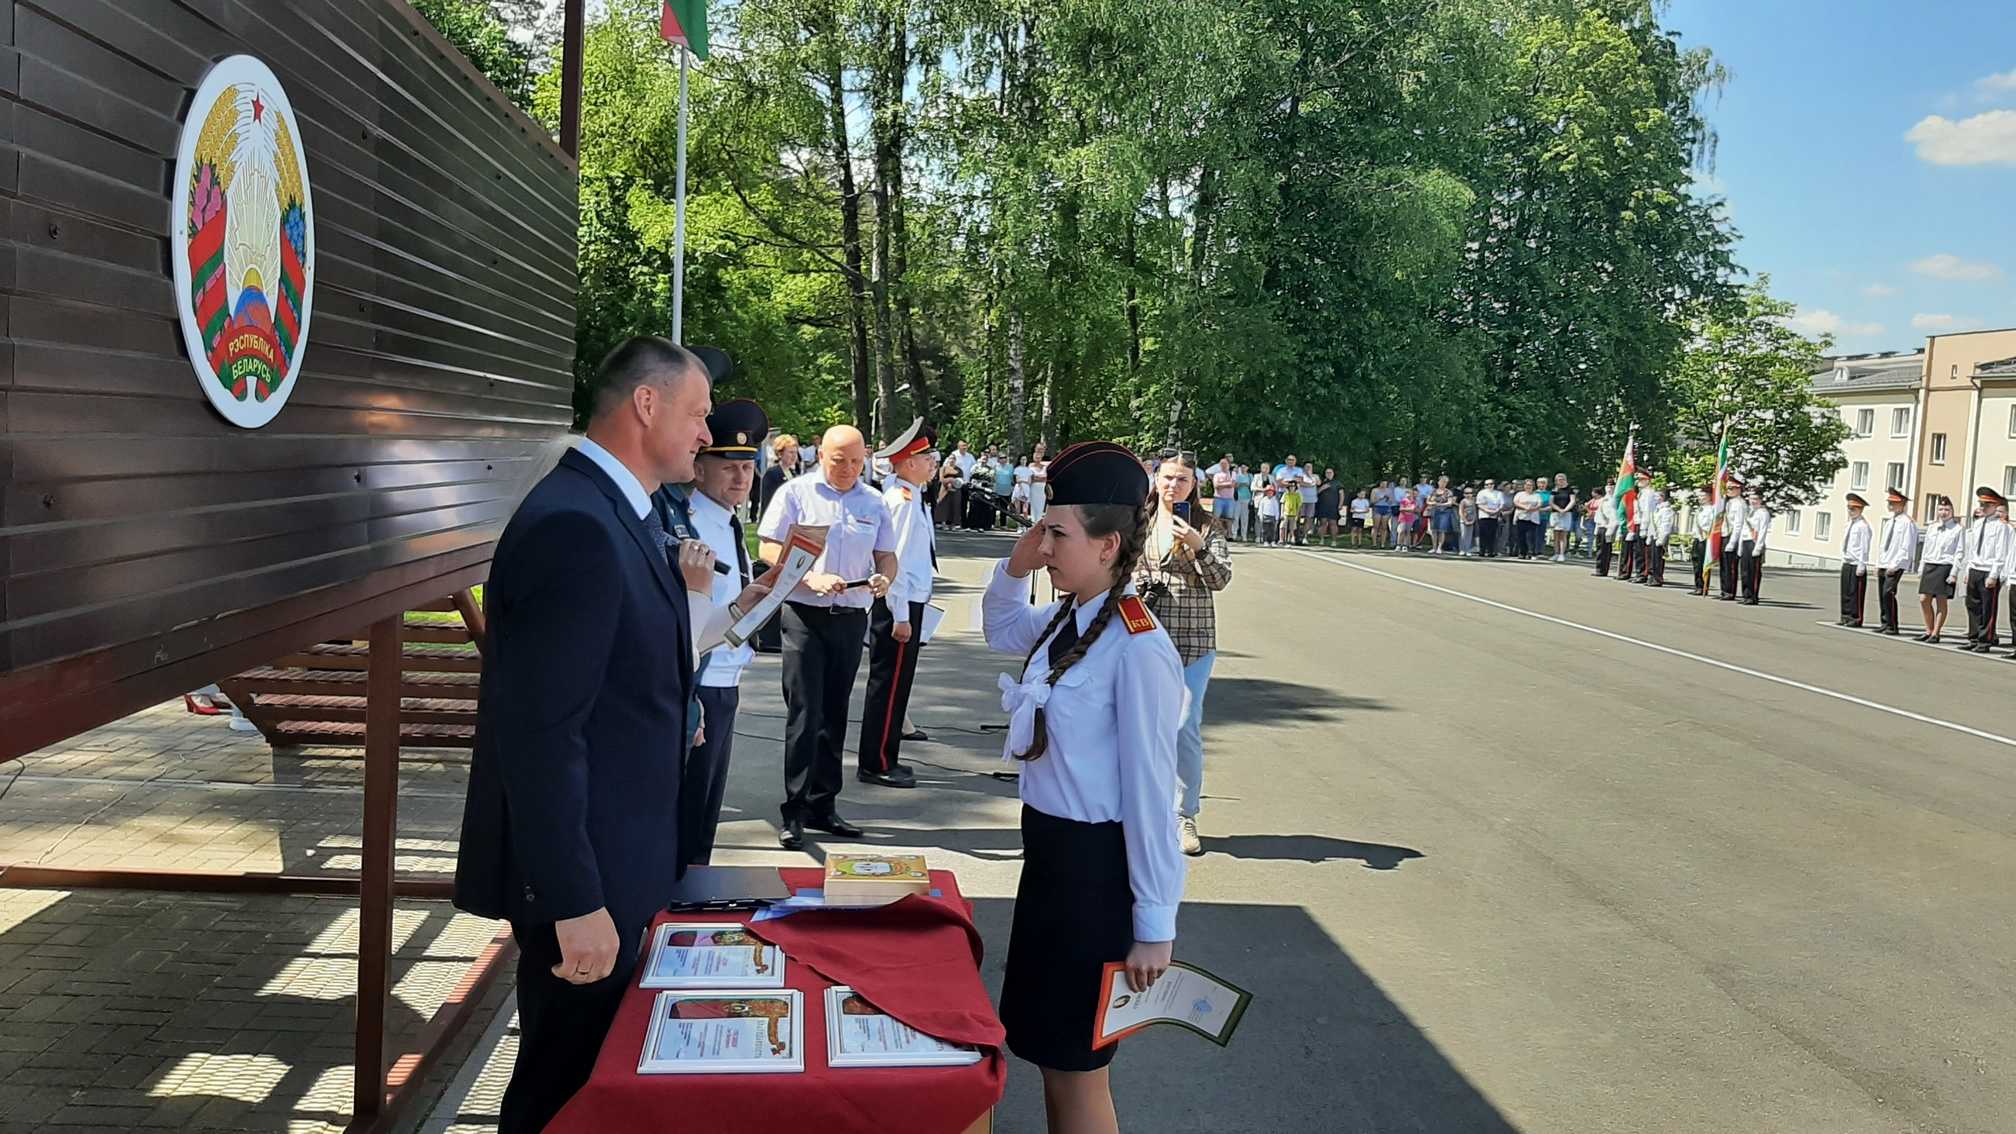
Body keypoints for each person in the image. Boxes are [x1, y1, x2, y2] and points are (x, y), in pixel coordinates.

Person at [455, 337, 770, 1134]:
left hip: (621, 858)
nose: (707, 435)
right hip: (587, 877)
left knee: (592, 1084)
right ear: (646, 405)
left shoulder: (618, 510)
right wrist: (574, 900)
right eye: (698, 415)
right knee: (561, 1092)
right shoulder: (577, 524)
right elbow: (541, 734)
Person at [983, 441, 1185, 1129]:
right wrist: (1020, 558)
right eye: (1044, 531)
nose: (1045, 547)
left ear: (1108, 545)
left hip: (1093, 880)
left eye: (1058, 534)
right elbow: (1000, 627)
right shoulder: (1069, 619)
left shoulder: (1138, 645)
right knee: (1049, 1053)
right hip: (1050, 864)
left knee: (1078, 1068)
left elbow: (1153, 796)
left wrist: (1154, 924)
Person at [759, 425, 898, 849]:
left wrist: (884, 578)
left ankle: (824, 804)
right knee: (806, 712)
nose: (848, 469)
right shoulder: (797, 493)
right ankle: (795, 809)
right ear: (821, 455)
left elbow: (887, 555)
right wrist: (810, 577)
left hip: (850, 617)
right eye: (840, 461)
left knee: (835, 712)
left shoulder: (873, 500)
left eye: (857, 461)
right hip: (805, 614)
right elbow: (768, 547)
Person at [681, 398, 769, 865]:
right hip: (702, 680)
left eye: (747, 467)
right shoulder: (690, 523)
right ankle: (677, 899)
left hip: (725, 678)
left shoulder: (726, 520)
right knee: (688, 814)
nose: (740, 478)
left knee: (704, 813)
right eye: (728, 466)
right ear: (698, 469)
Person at [1135, 452, 1232, 857]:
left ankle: (1183, 814)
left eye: (1183, 480)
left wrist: (1197, 547)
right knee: (1137, 725)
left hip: (1193, 642)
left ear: (1195, 486)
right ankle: (1139, 809)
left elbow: (1221, 579)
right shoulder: (1137, 521)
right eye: (1168, 477)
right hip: (1142, 639)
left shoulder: (1207, 527)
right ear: (1156, 480)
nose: (1174, 485)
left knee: (1182, 725)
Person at [857, 419, 941, 790]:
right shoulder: (902, 502)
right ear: (908, 462)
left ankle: (886, 756)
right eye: (927, 458)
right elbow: (896, 564)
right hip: (898, 607)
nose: (933, 463)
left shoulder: (912, 495)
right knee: (888, 687)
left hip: (907, 604)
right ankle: (876, 762)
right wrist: (902, 615)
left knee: (897, 686)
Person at [1959, 489, 2012, 653]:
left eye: (1986, 505)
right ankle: (1974, 637)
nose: (1982, 507)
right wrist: (1968, 570)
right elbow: (1973, 550)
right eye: (1981, 504)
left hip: (1988, 570)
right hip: (1975, 568)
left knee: (1987, 608)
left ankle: (1985, 640)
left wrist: (1994, 575)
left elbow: (2000, 552)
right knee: (1972, 605)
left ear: (1995, 506)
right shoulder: (1978, 523)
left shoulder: (2000, 527)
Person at [1916, 497, 1961, 642]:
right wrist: (1921, 567)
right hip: (1930, 564)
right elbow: (1925, 549)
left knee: (1941, 601)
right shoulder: (1932, 527)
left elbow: (1959, 552)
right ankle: (1928, 629)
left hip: (1945, 566)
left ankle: (1936, 632)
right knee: (1924, 599)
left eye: (1947, 509)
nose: (1943, 512)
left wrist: (1954, 573)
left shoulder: (1957, 529)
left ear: (1952, 511)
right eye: (1941, 509)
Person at [1874, 487, 1917, 636]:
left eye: (1894, 503)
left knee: (1888, 592)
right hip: (1885, 562)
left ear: (1902, 504)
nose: (1890, 505)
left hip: (1895, 564)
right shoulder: (1890, 521)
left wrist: (1895, 565)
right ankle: (1885, 622)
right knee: (1882, 593)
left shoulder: (1907, 523)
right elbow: (1883, 545)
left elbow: (1906, 546)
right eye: (1889, 503)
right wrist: (1879, 563)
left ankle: (1892, 625)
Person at [1837, 492, 1874, 628]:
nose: (1850, 511)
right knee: (1846, 591)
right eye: (1849, 508)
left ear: (1860, 509)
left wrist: (1862, 564)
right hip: (1848, 561)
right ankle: (1845, 615)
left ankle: (1855, 617)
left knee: (1855, 592)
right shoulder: (1850, 524)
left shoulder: (1863, 526)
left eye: (1853, 509)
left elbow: (1864, 547)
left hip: (1856, 562)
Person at [1739, 487, 1770, 605]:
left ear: (1761, 500)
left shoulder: (1763, 513)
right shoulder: (1749, 512)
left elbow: (1763, 531)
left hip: (1755, 542)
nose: (1753, 501)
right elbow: (1744, 529)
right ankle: (1746, 595)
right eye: (1751, 498)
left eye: (1756, 499)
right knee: (1745, 571)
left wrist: (1758, 547)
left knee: (1753, 571)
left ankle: (1753, 596)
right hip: (1746, 541)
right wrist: (1740, 545)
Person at [1718, 482, 1748, 601]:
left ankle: (1730, 591)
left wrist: (1732, 542)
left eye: (1731, 488)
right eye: (1727, 488)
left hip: (1732, 536)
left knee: (1730, 566)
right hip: (1725, 534)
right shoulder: (1729, 502)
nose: (1728, 490)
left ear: (1739, 489)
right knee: (1724, 565)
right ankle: (1724, 589)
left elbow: (1738, 524)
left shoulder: (1740, 504)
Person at [1690, 484, 1718, 595]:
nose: (1700, 498)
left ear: (1709, 496)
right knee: (1696, 562)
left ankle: (1703, 586)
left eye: (1703, 495)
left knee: (1703, 564)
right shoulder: (1699, 509)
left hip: (1706, 538)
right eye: (1699, 496)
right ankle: (1698, 585)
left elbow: (1711, 525)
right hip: (1698, 538)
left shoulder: (1712, 509)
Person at [1645, 489, 1675, 586]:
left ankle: (1657, 578)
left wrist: (1662, 538)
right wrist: (1650, 536)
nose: (1655, 498)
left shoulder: (1667, 510)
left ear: (1662, 497)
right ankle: (1652, 576)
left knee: (1658, 558)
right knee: (1652, 557)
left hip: (1660, 536)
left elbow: (1666, 525)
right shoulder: (1657, 509)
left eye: (1657, 496)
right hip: (1654, 535)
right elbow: (1652, 523)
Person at [1549, 474, 1577, 562]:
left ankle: (1562, 554)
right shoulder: (1554, 490)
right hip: (1555, 513)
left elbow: (1572, 501)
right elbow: (1551, 502)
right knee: (1556, 534)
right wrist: (1559, 509)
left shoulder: (1570, 490)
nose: (1560, 481)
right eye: (1558, 480)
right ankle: (1556, 553)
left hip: (1566, 513)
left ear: (1565, 480)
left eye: (1562, 479)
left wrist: (1565, 510)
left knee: (1563, 534)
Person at [1591, 481, 1616, 576]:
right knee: (1599, 549)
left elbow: (1613, 516)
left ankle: (1603, 570)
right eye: (1608, 487)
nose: (1609, 489)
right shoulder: (1604, 500)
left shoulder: (1614, 500)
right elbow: (1599, 515)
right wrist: (1596, 527)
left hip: (1607, 526)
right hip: (1600, 525)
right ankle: (1599, 568)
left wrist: (1611, 529)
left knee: (1605, 550)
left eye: (1611, 487)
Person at [1511, 479, 1540, 560]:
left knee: (1530, 537)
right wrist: (1525, 507)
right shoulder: (1519, 494)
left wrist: (1531, 509)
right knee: (1521, 536)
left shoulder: (1536, 495)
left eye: (1530, 485)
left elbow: (1539, 504)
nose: (1528, 487)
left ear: (1533, 486)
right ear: (1524, 486)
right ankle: (1522, 552)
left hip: (1532, 518)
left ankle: (1530, 552)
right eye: (1527, 485)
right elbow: (1516, 502)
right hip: (1521, 517)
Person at [1475, 479, 1505, 558]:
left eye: (1491, 484)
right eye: (1487, 484)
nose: (1489, 485)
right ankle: (1482, 551)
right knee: (1483, 534)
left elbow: (1501, 504)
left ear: (1494, 485)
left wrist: (1496, 511)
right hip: (1484, 515)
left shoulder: (1499, 493)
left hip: (1494, 516)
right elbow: (1479, 504)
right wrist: (1487, 511)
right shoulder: (1481, 493)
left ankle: (1491, 551)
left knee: (1492, 534)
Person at [1428, 476, 1456, 554]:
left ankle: (1439, 548)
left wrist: (1440, 504)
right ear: (1438, 482)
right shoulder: (1433, 491)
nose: (1443, 483)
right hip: (1434, 512)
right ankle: (1434, 547)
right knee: (1434, 530)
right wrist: (1432, 503)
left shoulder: (1448, 492)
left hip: (1444, 512)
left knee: (1442, 530)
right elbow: (1428, 501)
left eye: (1445, 482)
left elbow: (1450, 503)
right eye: (1442, 481)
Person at [1314, 468, 1342, 545]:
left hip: (1333, 506)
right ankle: (1321, 540)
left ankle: (1334, 541)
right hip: (1322, 506)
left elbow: (1341, 494)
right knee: (1323, 523)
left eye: (1330, 472)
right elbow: (1316, 492)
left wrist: (1340, 504)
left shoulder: (1337, 483)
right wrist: (1322, 488)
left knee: (1333, 523)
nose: (1329, 474)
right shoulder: (1321, 482)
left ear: (1333, 473)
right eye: (1327, 472)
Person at [1029, 442, 1052, 526]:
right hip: (1033, 487)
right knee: (1033, 506)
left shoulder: (1046, 463)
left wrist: (1039, 478)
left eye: (1042, 449)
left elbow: (1046, 477)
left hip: (1042, 488)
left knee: (1041, 506)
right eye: (1038, 449)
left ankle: (1038, 523)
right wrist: (1039, 478)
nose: (1039, 451)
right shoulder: (1031, 464)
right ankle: (1033, 523)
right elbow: (1031, 477)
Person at [1256, 476, 1281, 546]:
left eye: (1271, 492)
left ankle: (1272, 541)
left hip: (1272, 517)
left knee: (1272, 530)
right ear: (1266, 493)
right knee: (1265, 530)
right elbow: (1261, 509)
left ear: (1273, 493)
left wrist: (1277, 518)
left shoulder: (1274, 500)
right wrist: (1261, 516)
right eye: (1268, 492)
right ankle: (1265, 541)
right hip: (1265, 516)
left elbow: (1276, 510)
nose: (1270, 493)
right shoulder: (1263, 500)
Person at [1231, 462, 1252, 542]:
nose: (1243, 468)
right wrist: (1240, 484)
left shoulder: (1250, 476)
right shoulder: (1237, 476)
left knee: (1245, 518)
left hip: (1247, 497)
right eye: (1242, 467)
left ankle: (1244, 535)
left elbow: (1252, 486)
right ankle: (1234, 534)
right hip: (1237, 498)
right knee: (1235, 517)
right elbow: (1234, 486)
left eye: (1245, 467)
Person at [1396, 487, 1420, 551]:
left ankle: (1405, 545)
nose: (1409, 495)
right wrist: (1408, 509)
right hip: (1403, 518)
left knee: (1407, 531)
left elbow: (1413, 509)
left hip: (1410, 518)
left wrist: (1406, 509)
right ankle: (1398, 545)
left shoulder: (1413, 502)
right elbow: (1401, 509)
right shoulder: (1403, 501)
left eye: (1410, 493)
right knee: (1401, 531)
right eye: (1407, 493)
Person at [1458, 486, 1478, 555]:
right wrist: (1464, 520)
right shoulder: (1463, 501)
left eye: (1470, 493)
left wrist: (1473, 520)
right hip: (1463, 520)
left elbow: (1474, 511)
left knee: (1469, 536)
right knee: (1463, 535)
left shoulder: (1473, 501)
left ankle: (1467, 550)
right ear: (1464, 494)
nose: (1469, 494)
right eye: (1467, 493)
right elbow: (1460, 511)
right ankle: (1462, 549)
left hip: (1471, 520)